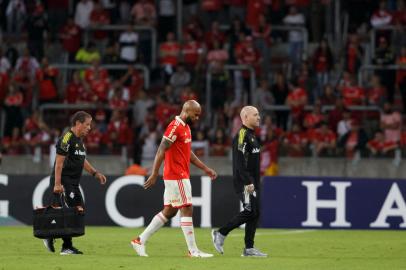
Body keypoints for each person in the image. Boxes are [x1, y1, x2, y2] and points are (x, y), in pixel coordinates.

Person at [130, 100, 217, 258]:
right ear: (186, 111)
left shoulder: (186, 127)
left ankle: (139, 241)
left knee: (169, 211)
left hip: (178, 174)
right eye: (195, 115)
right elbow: (161, 149)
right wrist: (155, 173)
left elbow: (187, 152)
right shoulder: (175, 126)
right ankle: (193, 250)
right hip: (176, 175)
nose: (197, 118)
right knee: (187, 208)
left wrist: (205, 168)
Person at [43, 111, 107, 255]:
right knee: (71, 211)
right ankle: (64, 245)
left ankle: (52, 236)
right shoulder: (66, 138)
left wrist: (95, 173)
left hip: (73, 182)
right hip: (64, 181)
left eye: (90, 125)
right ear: (78, 123)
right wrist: (57, 184)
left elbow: (81, 159)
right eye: (87, 124)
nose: (89, 128)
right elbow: (58, 164)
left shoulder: (79, 140)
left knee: (77, 210)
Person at [212, 106, 267, 257]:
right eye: (255, 115)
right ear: (246, 117)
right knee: (250, 211)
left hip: (253, 181)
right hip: (245, 182)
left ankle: (249, 248)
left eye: (258, 115)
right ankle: (221, 233)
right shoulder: (242, 135)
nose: (258, 117)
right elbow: (239, 162)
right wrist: (248, 182)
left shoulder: (253, 136)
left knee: (255, 212)